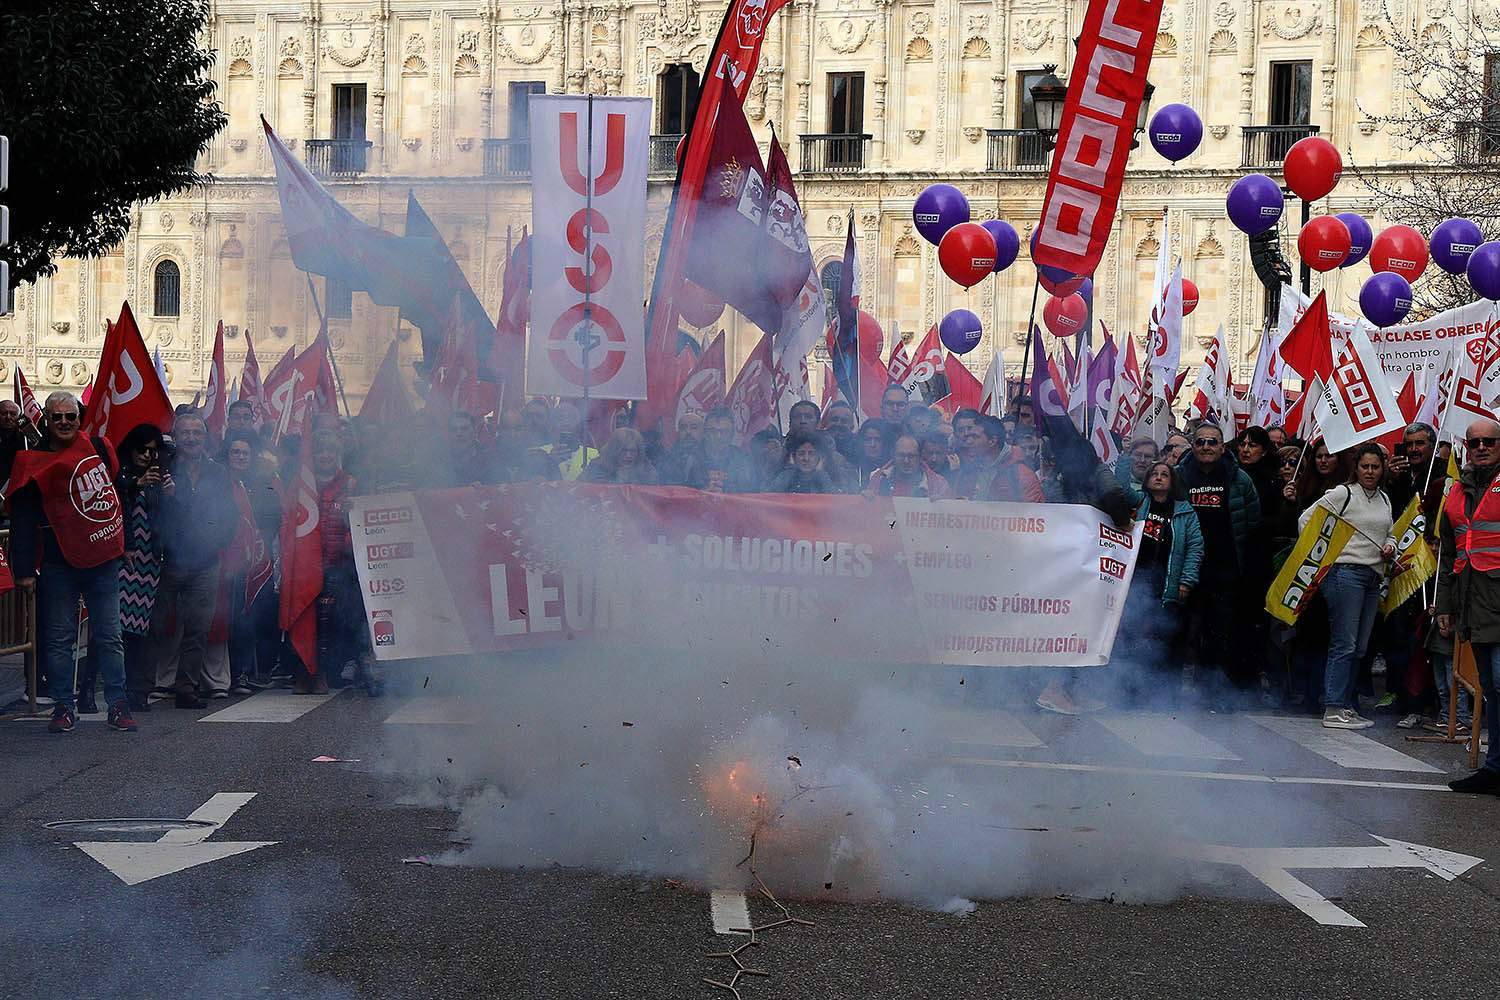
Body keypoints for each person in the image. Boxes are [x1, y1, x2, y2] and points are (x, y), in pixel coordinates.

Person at [8, 392, 133, 733]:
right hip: (57, 561)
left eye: (70, 416)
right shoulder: (32, 461)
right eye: (57, 417)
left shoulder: (99, 449)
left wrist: (127, 543)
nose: (64, 422)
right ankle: (64, 706)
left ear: (79, 418)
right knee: (59, 638)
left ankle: (118, 704)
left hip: (101, 559)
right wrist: (23, 570)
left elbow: (117, 499)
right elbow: (22, 519)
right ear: (46, 420)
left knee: (110, 635)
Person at [1301, 443, 1396, 730]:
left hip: (1372, 577)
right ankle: (1332, 707)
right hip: (1345, 575)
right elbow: (1306, 520)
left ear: (1382, 470)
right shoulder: (1342, 493)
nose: (1370, 471)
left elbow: (1389, 533)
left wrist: (1390, 546)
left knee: (1360, 646)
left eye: (1375, 467)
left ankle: (1345, 705)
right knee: (1344, 643)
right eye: (1365, 466)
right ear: (1356, 468)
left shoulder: (1384, 499)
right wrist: (1324, 553)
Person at [150, 411, 239, 707]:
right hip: (170, 560)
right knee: (158, 623)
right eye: (185, 433)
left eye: (197, 433)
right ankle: (145, 683)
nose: (191, 439)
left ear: (204, 438)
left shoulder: (218, 473)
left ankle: (187, 686)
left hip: (205, 562)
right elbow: (154, 513)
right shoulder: (163, 470)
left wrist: (214, 544)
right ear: (176, 438)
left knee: (198, 627)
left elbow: (229, 517)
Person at [1435, 417, 1500, 793]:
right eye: (1474, 443)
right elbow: (1449, 554)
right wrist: (1444, 605)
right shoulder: (1457, 491)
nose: (1480, 448)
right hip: (1473, 606)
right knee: (1491, 689)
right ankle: (1495, 768)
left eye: (1488, 442)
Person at [1176, 422, 1262, 699]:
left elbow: (1252, 522)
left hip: (1225, 569)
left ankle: (1212, 692)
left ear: (1223, 447)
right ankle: (1173, 691)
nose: (1206, 447)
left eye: (1212, 442)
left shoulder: (1240, 479)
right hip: (1186, 569)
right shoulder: (1179, 476)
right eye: (1200, 442)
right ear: (1193, 446)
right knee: (1183, 630)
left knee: (1220, 632)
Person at [1116, 461, 1203, 705]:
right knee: (1134, 639)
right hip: (1137, 584)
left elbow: (1195, 548)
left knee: (1163, 640)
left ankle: (1161, 695)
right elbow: (1121, 487)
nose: (1159, 478)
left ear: (1173, 481)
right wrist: (1124, 455)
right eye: (1154, 474)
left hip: (1167, 585)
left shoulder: (1185, 512)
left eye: (1165, 474)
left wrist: (1186, 580)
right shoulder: (1140, 502)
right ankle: (1129, 692)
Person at [305, 430, 381, 696]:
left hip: (343, 563)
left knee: (343, 617)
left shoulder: (351, 484)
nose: (325, 456)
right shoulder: (305, 485)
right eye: (320, 451)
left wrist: (353, 513)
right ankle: (318, 671)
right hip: (311, 563)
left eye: (330, 451)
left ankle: (350, 665)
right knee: (317, 622)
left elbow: (365, 523)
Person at [112, 424, 169, 713]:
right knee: (116, 628)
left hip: (149, 563)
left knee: (141, 631)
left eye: (152, 450)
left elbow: (165, 519)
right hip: (125, 559)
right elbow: (119, 503)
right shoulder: (119, 475)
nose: (146, 455)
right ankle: (103, 688)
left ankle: (137, 690)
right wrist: (137, 484)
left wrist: (169, 493)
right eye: (141, 449)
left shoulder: (160, 479)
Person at [950, 415, 1045, 502]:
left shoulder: (1020, 474)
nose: (969, 441)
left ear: (992, 441)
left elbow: (1032, 514)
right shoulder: (968, 471)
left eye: (975, 437)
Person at [866, 434, 953, 498]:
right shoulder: (878, 479)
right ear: (892, 455)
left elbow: (950, 516)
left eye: (911, 456)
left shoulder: (939, 484)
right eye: (901, 455)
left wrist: (943, 505)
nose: (906, 461)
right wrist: (864, 501)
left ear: (920, 457)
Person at [541, 403, 599, 481]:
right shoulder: (541, 453)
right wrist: (550, 462)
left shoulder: (592, 454)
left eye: (571, 418)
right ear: (552, 426)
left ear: (578, 427)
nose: (566, 423)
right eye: (560, 418)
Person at [771, 431, 838, 494]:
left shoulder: (824, 478)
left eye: (811, 454)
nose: (806, 459)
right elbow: (769, 497)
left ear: (818, 457)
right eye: (801, 453)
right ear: (794, 457)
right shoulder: (785, 477)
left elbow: (834, 501)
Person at [583, 428, 658, 484]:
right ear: (614, 450)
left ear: (639, 452)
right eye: (623, 450)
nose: (628, 455)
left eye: (632, 451)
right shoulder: (598, 466)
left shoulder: (647, 471)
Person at [852, 419, 894, 487]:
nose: (872, 445)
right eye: (868, 439)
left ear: (885, 442)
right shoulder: (853, 468)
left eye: (877, 439)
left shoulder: (893, 471)